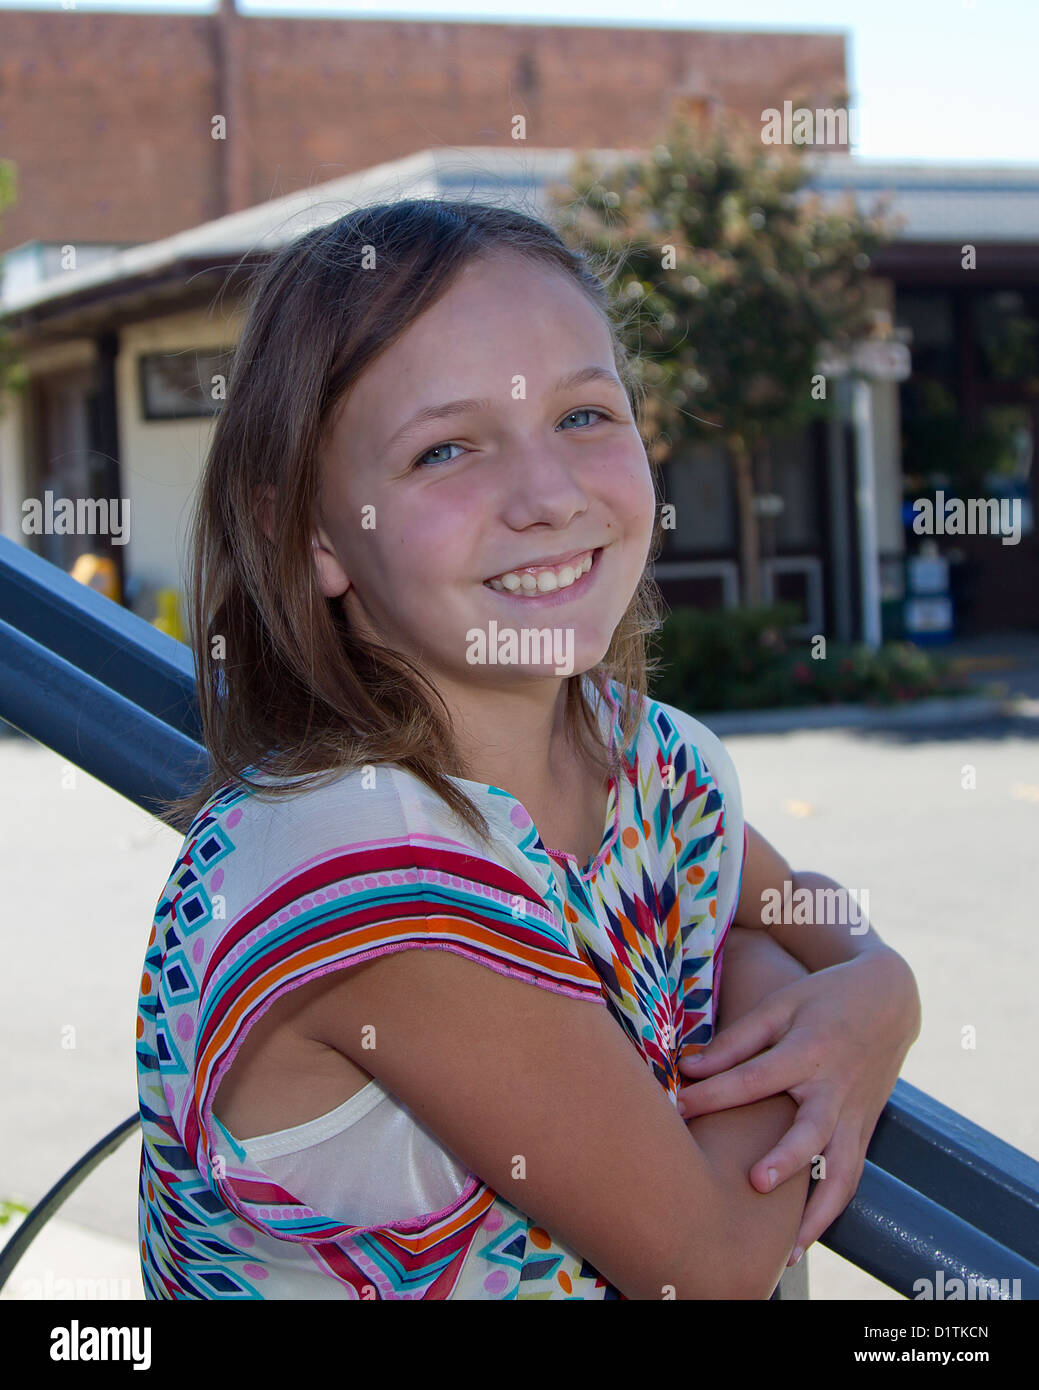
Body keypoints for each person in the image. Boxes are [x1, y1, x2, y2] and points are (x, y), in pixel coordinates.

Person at [135, 198, 921, 1300]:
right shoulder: (358, 860)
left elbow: (789, 907)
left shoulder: (646, 757)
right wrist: (772, 992)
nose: (548, 496)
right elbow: (709, 1264)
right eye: (445, 448)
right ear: (308, 534)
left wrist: (879, 990)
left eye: (586, 416)